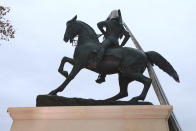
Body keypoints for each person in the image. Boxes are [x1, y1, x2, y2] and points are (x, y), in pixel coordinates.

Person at [94, 9, 130, 83]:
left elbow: (99, 24)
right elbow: (127, 35)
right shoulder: (120, 26)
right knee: (107, 56)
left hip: (108, 40)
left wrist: (104, 33)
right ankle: (102, 75)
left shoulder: (109, 22)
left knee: (102, 48)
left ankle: (96, 62)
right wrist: (121, 45)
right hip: (116, 43)